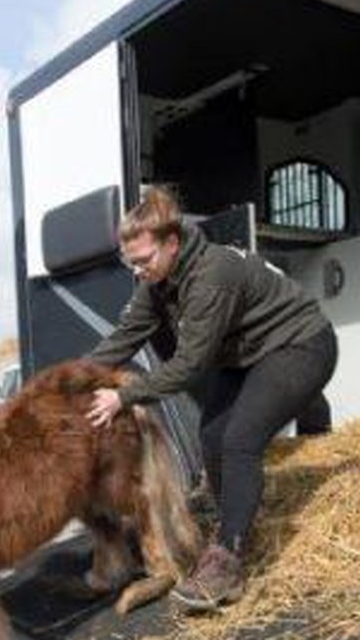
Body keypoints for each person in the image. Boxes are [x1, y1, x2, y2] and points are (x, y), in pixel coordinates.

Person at [85, 186, 338, 611]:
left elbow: (189, 366)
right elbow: (124, 337)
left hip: (301, 345)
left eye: (144, 260)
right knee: (212, 437)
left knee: (240, 439)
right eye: (131, 263)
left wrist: (123, 396)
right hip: (250, 354)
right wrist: (69, 380)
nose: (138, 271)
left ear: (172, 243)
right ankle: (237, 525)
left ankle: (228, 562)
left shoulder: (211, 276)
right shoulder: (156, 282)